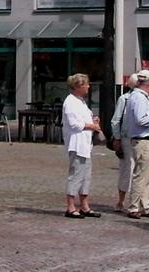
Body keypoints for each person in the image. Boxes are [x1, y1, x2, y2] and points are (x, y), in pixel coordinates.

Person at [60, 72, 103, 219]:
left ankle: (85, 205)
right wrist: (91, 126)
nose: (88, 87)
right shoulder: (70, 102)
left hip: (85, 144)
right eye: (86, 84)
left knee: (85, 176)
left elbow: (83, 119)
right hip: (76, 144)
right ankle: (71, 206)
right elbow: (74, 124)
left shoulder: (81, 101)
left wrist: (93, 120)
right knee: (76, 175)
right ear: (78, 86)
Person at [119, 70, 149, 218]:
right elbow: (140, 119)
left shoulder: (139, 96)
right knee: (141, 175)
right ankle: (134, 207)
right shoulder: (138, 97)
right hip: (143, 139)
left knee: (148, 175)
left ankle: (147, 205)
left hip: (147, 140)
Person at [109, 75, 137, 210]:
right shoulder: (124, 99)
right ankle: (121, 200)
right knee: (127, 169)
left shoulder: (147, 98)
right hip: (127, 138)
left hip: (142, 139)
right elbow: (115, 120)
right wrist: (117, 138)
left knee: (141, 170)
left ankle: (137, 201)